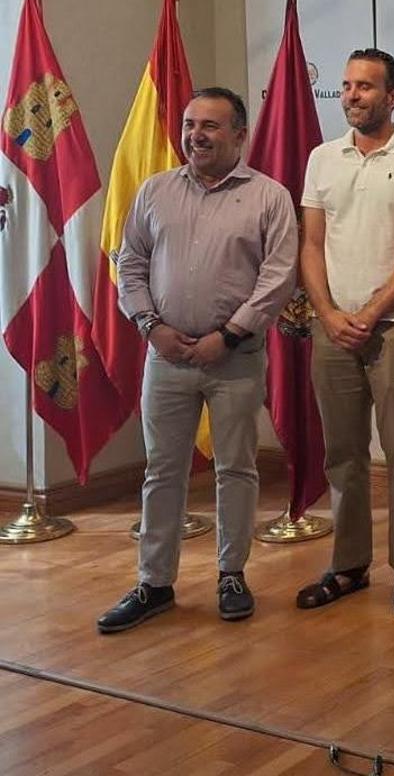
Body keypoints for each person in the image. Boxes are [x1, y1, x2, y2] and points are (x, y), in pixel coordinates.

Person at [98, 88, 298, 633]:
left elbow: (278, 277)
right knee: (162, 472)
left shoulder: (268, 197)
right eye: (190, 125)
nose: (196, 136)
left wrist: (229, 337)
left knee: (236, 467)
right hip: (164, 358)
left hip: (234, 359)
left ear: (239, 134)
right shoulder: (154, 192)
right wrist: (150, 326)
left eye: (210, 126)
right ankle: (154, 582)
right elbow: (131, 263)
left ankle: (231, 573)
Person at [295, 48, 394, 615]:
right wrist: (331, 313)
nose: (352, 96)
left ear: (393, 96)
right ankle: (348, 565)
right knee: (343, 455)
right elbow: (310, 244)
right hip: (333, 328)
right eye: (346, 85)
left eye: (364, 87)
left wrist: (375, 310)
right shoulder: (322, 158)